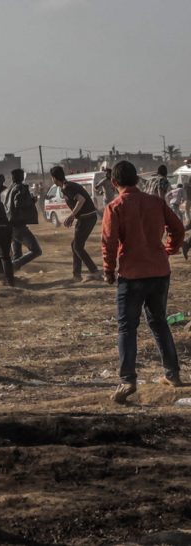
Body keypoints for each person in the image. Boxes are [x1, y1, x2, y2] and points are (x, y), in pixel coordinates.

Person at [102, 160, 185, 403]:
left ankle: (128, 380)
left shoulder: (115, 206)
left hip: (132, 275)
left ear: (114, 182)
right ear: (137, 179)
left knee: (127, 327)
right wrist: (168, 249)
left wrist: (108, 271)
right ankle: (173, 374)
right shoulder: (156, 202)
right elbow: (178, 229)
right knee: (159, 322)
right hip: (159, 272)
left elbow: (108, 242)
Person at [51, 166, 102, 282]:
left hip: (86, 218)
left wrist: (71, 215)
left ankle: (94, 271)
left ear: (54, 178)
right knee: (75, 245)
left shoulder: (67, 187)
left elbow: (81, 200)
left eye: (52, 178)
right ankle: (77, 275)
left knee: (77, 246)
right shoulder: (67, 186)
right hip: (88, 217)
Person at [4, 168, 42, 272]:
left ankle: (10, 277)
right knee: (36, 251)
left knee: (17, 254)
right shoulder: (20, 188)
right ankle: (11, 267)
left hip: (11, 226)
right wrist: (32, 201)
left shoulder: (10, 188)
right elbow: (18, 204)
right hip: (18, 226)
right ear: (21, 177)